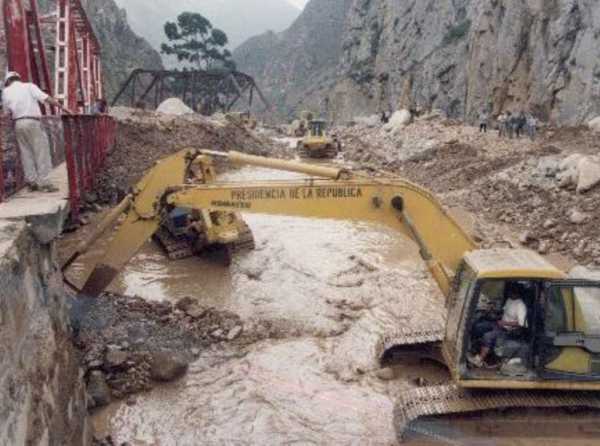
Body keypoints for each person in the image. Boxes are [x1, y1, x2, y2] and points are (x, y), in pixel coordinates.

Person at [2, 71, 70, 192]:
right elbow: (46, 98)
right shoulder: (28, 86)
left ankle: (31, 182)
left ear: (8, 81)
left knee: (26, 153)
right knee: (41, 152)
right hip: (32, 121)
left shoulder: (6, 92)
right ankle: (45, 183)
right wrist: (63, 108)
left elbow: (6, 112)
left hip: (18, 123)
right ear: (19, 78)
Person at [467, 284, 528, 368]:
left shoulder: (521, 306)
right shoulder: (510, 300)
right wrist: (492, 312)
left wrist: (504, 323)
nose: (509, 294)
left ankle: (479, 360)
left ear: (517, 293)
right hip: (499, 324)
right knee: (479, 326)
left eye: (511, 293)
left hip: (508, 330)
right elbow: (504, 312)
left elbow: (521, 323)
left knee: (487, 336)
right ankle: (472, 350)